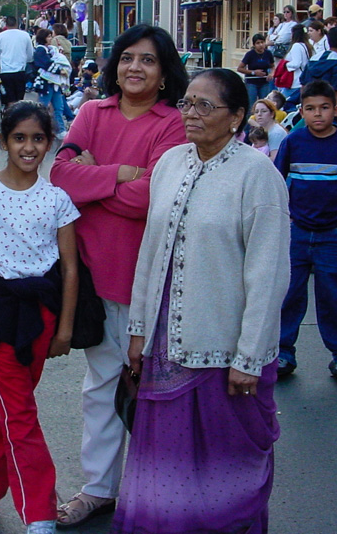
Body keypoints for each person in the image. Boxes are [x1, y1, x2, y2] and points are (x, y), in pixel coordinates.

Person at [118, 68, 289, 534]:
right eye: (187, 103)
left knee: (224, 470)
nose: (191, 114)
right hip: (163, 345)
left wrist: (249, 357)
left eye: (204, 106)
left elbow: (268, 275)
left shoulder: (259, 177)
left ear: (236, 117)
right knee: (164, 465)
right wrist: (137, 330)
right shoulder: (171, 163)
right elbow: (150, 253)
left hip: (226, 350)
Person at [49, 24, 188, 528]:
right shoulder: (91, 112)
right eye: (127, 57)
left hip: (149, 281)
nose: (135, 67)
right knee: (101, 384)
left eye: (148, 60)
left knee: (155, 391)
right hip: (90, 276)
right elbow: (61, 177)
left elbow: (153, 199)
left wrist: (96, 177)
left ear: (164, 70)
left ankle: (156, 490)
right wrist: (122, 174)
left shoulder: (173, 124)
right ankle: (99, 488)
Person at [0, 102, 79, 534]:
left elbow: (69, 269)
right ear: (3, 141)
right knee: (21, 415)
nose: (29, 147)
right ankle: (40, 510)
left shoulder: (58, 199)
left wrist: (64, 327)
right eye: (19, 138)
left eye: (38, 139)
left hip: (42, 316)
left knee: (12, 412)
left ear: (49, 143)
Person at [275, 79, 337, 384]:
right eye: (310, 108)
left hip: (333, 234)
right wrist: (286, 219)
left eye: (325, 108)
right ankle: (282, 352)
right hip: (298, 232)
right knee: (289, 294)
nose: (318, 114)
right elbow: (277, 182)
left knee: (334, 297)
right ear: (301, 111)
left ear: (336, 109)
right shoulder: (293, 142)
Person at [33, 29, 72, 139]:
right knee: (43, 107)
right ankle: (38, 129)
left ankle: (60, 130)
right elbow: (46, 64)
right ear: (43, 38)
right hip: (46, 83)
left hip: (54, 83)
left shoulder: (49, 50)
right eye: (48, 36)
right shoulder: (40, 50)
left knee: (58, 107)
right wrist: (60, 70)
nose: (51, 38)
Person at [0, 16, 33, 105]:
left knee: (9, 98)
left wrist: (0, 64)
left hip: (5, 71)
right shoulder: (25, 35)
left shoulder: (0, 36)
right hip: (20, 70)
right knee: (19, 98)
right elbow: (30, 54)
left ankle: (9, 114)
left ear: (6, 24)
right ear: (17, 24)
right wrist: (25, 61)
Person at [237, 32, 274, 104]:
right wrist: (253, 72)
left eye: (262, 42)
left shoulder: (268, 53)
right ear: (254, 45)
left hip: (264, 82)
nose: (261, 45)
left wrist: (271, 74)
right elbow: (240, 68)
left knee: (265, 103)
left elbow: (272, 66)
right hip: (252, 83)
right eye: (258, 43)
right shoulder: (250, 54)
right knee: (251, 104)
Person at [282, 23, 312, 105]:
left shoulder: (296, 46)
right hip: (302, 80)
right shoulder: (307, 45)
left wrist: (286, 65)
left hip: (294, 81)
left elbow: (296, 63)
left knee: (284, 102)